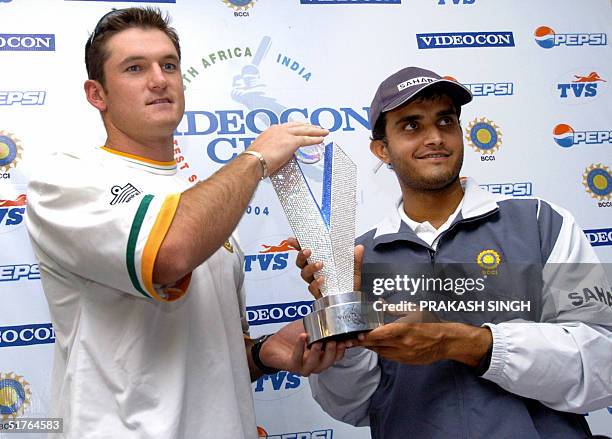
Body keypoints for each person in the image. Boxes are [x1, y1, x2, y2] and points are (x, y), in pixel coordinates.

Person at [25, 8, 348, 438]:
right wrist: (255, 159)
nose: (159, 79)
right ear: (96, 94)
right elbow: (168, 254)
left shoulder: (203, 202)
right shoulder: (66, 180)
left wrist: (264, 354)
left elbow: (206, 355)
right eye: (135, 68)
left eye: (169, 65)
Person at [296, 66, 612, 438]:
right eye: (411, 125)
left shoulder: (541, 223)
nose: (434, 138)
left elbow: (602, 362)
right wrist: (342, 317)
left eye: (445, 121)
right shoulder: (358, 259)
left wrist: (467, 343)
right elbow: (350, 405)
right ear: (382, 149)